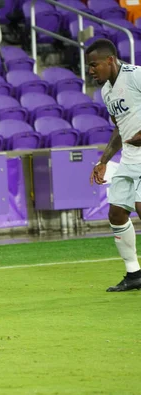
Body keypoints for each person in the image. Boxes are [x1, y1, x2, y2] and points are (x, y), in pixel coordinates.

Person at [88, 38, 141, 292]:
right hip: (130, 158)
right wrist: (103, 160)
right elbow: (121, 128)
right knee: (117, 214)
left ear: (110, 60)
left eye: (94, 64)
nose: (91, 70)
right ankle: (134, 274)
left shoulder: (135, 76)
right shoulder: (107, 91)